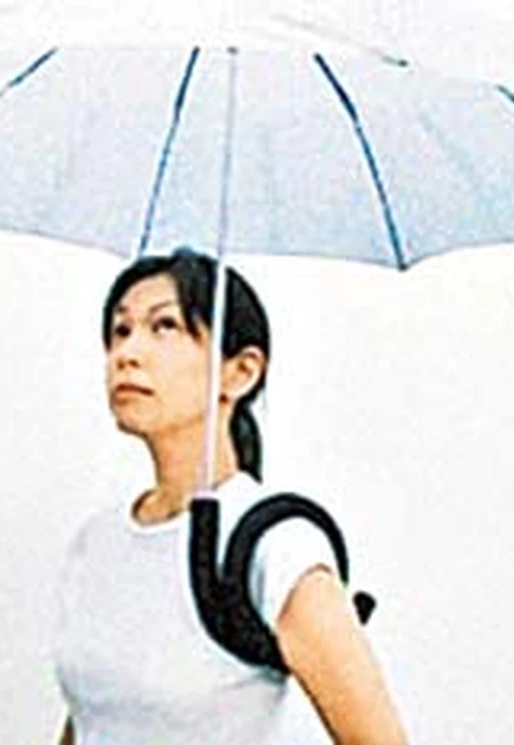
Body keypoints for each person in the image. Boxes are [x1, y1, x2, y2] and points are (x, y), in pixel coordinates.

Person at [54, 247, 408, 744]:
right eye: (120, 330)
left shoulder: (275, 547)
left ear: (241, 372)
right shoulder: (99, 541)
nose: (127, 354)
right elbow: (92, 718)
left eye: (164, 326)